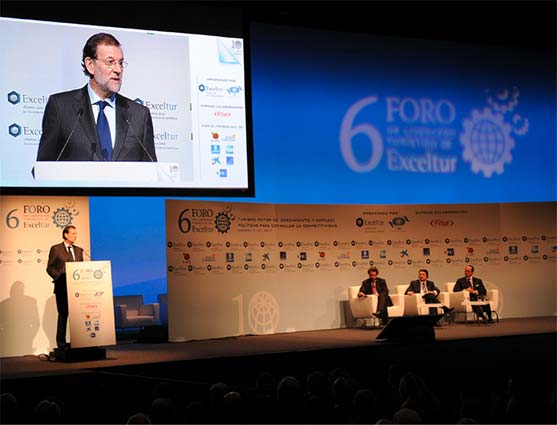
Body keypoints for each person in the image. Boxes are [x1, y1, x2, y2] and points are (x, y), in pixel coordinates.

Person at [36, 32, 157, 162]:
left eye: (120, 63)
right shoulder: (60, 107)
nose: (118, 70)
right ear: (90, 65)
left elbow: (151, 169)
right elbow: (44, 166)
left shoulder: (139, 114)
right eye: (110, 62)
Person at [46, 225, 84, 348]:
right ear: (66, 235)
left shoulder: (79, 250)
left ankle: (79, 341)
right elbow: (50, 268)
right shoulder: (56, 249)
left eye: (76, 233)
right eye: (73, 233)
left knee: (78, 316)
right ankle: (61, 344)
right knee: (63, 315)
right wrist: (60, 278)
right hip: (62, 288)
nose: (75, 236)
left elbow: (81, 269)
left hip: (76, 289)